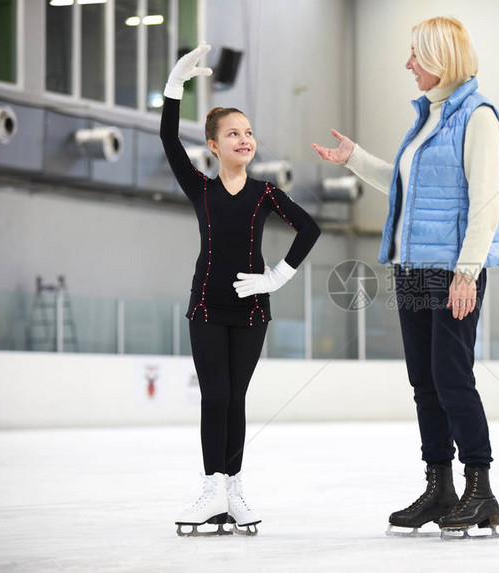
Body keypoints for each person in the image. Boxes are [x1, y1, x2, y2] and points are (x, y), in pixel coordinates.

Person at [312, 17, 499, 539]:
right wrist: (353, 159)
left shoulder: (478, 117)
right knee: (424, 382)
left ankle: (480, 489)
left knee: (452, 377)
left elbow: (486, 203)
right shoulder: (426, 118)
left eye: (415, 55)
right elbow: (401, 186)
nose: (408, 64)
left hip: (453, 271)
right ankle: (440, 485)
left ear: (440, 57)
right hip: (412, 267)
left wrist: (468, 273)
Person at [162, 43, 321, 536]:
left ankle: (233, 489)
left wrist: (277, 277)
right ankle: (213, 488)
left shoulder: (265, 193)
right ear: (213, 144)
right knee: (215, 395)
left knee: (237, 399)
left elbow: (310, 229)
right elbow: (168, 139)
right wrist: (174, 89)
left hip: (252, 312)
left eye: (249, 132)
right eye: (233, 133)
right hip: (207, 307)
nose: (244, 138)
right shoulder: (201, 188)